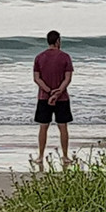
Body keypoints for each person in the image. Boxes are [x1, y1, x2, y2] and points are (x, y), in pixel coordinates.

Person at [33, 30, 73, 168]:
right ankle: (65, 156)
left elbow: (37, 78)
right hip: (62, 97)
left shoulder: (39, 57)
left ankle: (40, 156)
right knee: (63, 127)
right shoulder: (65, 57)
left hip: (44, 96)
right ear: (58, 41)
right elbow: (68, 78)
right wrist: (58, 92)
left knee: (43, 127)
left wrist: (49, 92)